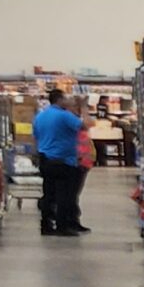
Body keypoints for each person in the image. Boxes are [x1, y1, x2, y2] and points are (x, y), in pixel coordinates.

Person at [32, 88, 90, 236]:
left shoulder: (40, 116)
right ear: (59, 99)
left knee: (48, 194)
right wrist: (83, 106)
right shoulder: (64, 116)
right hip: (63, 161)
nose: (67, 100)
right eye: (65, 98)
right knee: (65, 195)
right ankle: (62, 226)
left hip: (45, 159)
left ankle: (46, 225)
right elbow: (84, 126)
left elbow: (36, 137)